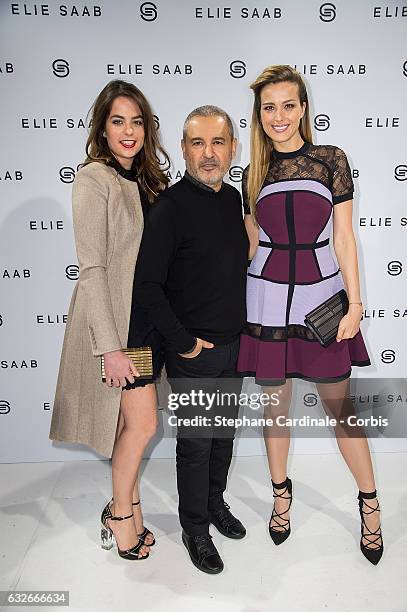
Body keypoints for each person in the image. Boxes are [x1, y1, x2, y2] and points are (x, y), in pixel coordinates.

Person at [237, 65, 383, 565]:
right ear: (259, 115)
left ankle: (370, 505)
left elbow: (344, 238)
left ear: (303, 107)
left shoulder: (330, 160)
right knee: (274, 411)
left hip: (323, 302)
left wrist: (356, 303)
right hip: (266, 301)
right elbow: (251, 243)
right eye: (269, 107)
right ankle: (281, 497)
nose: (280, 116)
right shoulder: (251, 174)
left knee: (342, 411)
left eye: (289, 105)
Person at [49, 79, 170, 561]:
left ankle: (129, 507)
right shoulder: (93, 179)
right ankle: (120, 516)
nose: (128, 131)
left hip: (144, 322)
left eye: (136, 121)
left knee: (133, 427)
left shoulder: (145, 180)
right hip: (118, 329)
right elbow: (92, 267)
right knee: (141, 426)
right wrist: (109, 347)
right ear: (102, 126)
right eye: (117, 121)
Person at [134, 105, 248, 574]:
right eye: (197, 143)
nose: (208, 153)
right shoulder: (171, 207)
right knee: (197, 443)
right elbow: (147, 286)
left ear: (232, 149)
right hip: (195, 354)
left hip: (235, 346)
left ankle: (215, 504)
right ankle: (194, 528)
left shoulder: (232, 198)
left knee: (223, 437)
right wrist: (182, 343)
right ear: (183, 148)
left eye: (217, 143)